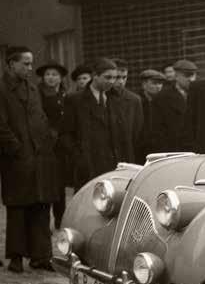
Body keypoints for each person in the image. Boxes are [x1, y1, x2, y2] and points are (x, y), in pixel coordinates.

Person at [0, 47, 58, 272]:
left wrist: (47, 139)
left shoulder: (32, 88)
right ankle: (16, 257)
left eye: (31, 64)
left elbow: (40, 117)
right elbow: (1, 125)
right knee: (18, 206)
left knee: (40, 204)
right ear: (11, 64)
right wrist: (15, 148)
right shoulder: (2, 89)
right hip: (16, 158)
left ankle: (41, 256)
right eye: (25, 64)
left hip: (39, 156)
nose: (30, 68)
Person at [62, 58, 135, 188]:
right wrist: (79, 158)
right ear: (95, 76)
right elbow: (66, 134)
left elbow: (125, 135)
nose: (112, 81)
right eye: (107, 77)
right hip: (89, 167)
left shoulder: (116, 99)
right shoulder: (75, 100)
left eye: (114, 77)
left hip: (115, 167)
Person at [36, 60, 70, 229]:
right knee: (46, 184)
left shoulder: (65, 94)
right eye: (48, 74)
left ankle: (60, 220)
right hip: (45, 145)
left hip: (62, 147)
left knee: (60, 185)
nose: (51, 78)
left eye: (54, 74)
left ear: (61, 77)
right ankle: (43, 223)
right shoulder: (38, 94)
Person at [152, 59, 197, 153]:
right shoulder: (162, 98)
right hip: (174, 151)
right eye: (187, 75)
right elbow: (157, 132)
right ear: (176, 76)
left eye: (193, 75)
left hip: (195, 151)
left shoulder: (199, 95)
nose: (191, 79)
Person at [112, 58, 143, 163]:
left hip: (128, 154)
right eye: (117, 77)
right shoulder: (103, 98)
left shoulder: (134, 100)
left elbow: (138, 132)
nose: (121, 81)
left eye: (124, 77)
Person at [136, 69, 165, 163]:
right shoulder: (137, 101)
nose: (158, 87)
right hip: (141, 148)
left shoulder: (163, 101)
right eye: (154, 83)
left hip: (159, 147)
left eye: (160, 83)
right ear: (144, 84)